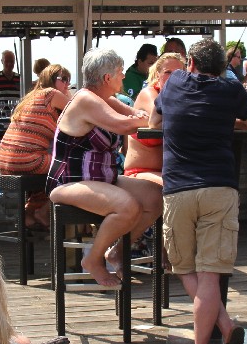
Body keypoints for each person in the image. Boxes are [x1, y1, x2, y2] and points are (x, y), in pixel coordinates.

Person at [151, 38, 247, 344]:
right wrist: (228, 120)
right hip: (219, 187)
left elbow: (154, 121)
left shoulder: (174, 82)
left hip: (178, 189)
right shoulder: (231, 90)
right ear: (223, 68)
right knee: (210, 274)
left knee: (184, 268)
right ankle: (217, 337)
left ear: (192, 64)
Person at [46, 48, 162, 287]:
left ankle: (118, 252)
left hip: (101, 179)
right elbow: (123, 125)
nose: (124, 76)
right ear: (108, 77)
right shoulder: (85, 99)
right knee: (127, 206)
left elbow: (140, 117)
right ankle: (93, 259)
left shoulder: (106, 100)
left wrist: (142, 117)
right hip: (68, 182)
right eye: (120, 72)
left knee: (155, 197)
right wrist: (142, 118)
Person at [0, 64, 72, 229]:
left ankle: (30, 212)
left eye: (69, 80)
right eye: (64, 79)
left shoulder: (32, 97)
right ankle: (43, 211)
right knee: (71, 166)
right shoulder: (52, 94)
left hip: (4, 160)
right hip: (25, 159)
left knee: (51, 164)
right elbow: (81, 109)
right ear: (50, 80)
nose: (67, 84)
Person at [123, 54, 185, 187]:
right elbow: (165, 117)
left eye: (178, 73)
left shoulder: (185, 99)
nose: (173, 77)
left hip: (172, 173)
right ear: (157, 75)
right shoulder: (148, 94)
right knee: (179, 187)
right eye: (168, 72)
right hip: (141, 172)